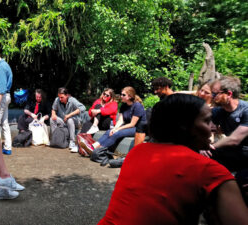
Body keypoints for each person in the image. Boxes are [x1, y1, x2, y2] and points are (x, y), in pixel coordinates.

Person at [98, 94, 248, 225]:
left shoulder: (137, 151)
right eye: (208, 121)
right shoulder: (211, 172)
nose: (213, 128)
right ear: (185, 126)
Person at [200, 76, 248, 172]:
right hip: (234, 151)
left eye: (215, 94)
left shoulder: (245, 110)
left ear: (229, 94)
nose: (212, 97)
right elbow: (198, 125)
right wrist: (202, 144)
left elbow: (235, 139)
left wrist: (210, 146)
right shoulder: (218, 111)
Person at [80, 86, 146, 155]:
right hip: (127, 126)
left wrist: (118, 129)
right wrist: (114, 128)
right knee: (109, 131)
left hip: (137, 128)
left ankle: (99, 150)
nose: (121, 96)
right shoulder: (123, 106)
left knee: (117, 133)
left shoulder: (137, 106)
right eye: (121, 94)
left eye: (123, 95)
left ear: (130, 96)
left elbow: (132, 124)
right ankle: (92, 146)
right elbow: (120, 120)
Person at [50, 87, 86, 151]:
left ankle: (72, 141)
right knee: (52, 119)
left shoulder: (72, 100)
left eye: (62, 97)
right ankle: (54, 139)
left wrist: (69, 115)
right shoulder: (57, 100)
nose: (60, 99)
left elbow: (83, 108)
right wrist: (53, 114)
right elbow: (53, 109)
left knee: (70, 120)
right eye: (59, 97)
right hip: (63, 121)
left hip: (75, 121)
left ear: (66, 95)